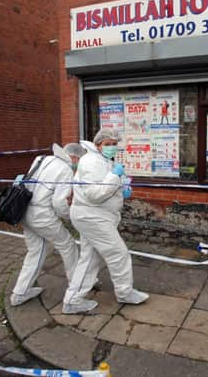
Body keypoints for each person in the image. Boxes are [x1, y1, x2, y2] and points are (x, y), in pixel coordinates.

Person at [62, 128, 148, 314]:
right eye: (107, 144)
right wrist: (115, 177)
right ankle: (125, 293)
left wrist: (123, 188)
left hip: (94, 216)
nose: (111, 147)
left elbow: (105, 186)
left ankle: (73, 300)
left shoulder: (102, 160)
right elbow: (94, 194)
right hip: (93, 216)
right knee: (119, 254)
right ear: (97, 144)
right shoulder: (91, 161)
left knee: (90, 258)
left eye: (114, 144)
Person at [10, 143, 86, 307]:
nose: (77, 165)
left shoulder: (42, 159)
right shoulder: (65, 169)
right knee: (68, 245)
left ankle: (19, 293)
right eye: (78, 161)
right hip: (42, 215)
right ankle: (77, 286)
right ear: (74, 157)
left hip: (24, 210)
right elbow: (59, 203)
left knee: (35, 252)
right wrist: (70, 219)